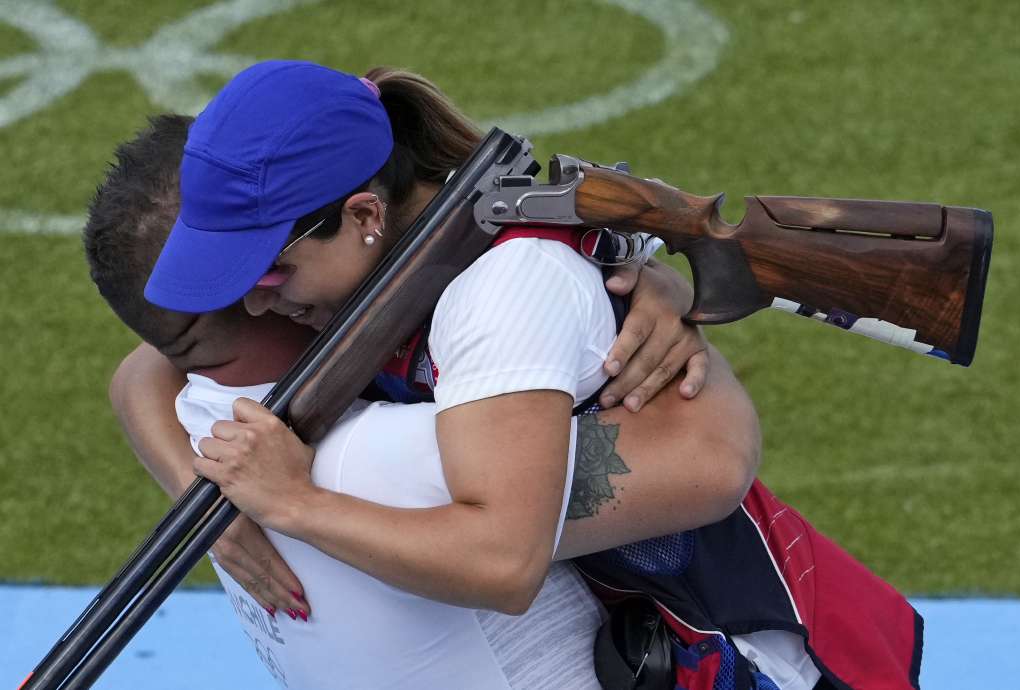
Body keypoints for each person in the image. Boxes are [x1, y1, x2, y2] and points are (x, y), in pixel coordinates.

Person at [87, 115, 761, 689]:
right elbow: (711, 459)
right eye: (271, 274)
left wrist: (195, 489)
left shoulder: (204, 416)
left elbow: (140, 370)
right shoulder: (384, 458)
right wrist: (671, 310)